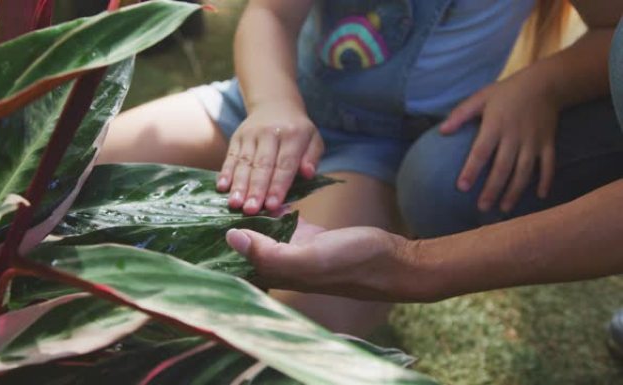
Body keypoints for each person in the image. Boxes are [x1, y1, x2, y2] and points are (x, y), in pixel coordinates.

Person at [99, 0, 623, 335]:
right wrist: (272, 105)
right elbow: (271, 16)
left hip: (377, 153)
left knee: (302, 328)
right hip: (268, 102)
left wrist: (541, 85)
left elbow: (612, 30)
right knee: (64, 171)